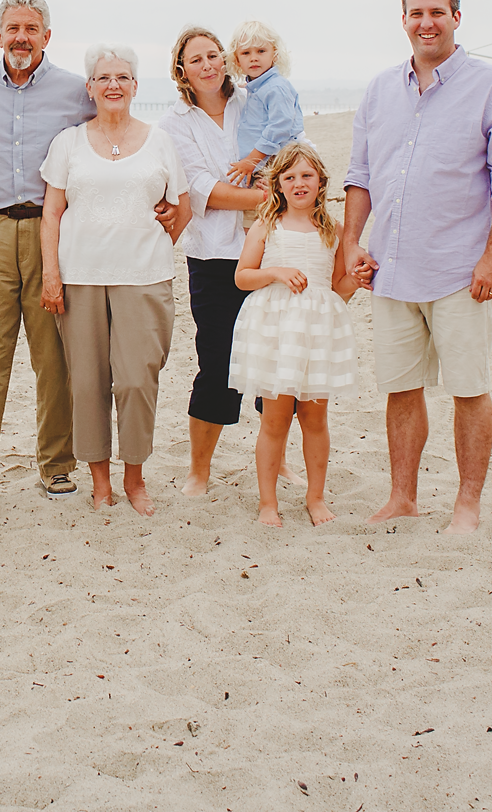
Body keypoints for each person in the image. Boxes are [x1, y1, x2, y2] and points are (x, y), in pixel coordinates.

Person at [341, 0, 492, 534]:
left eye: (437, 12)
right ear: (403, 20)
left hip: (460, 271)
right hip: (391, 269)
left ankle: (467, 505)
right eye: (416, 13)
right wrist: (351, 242)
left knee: (468, 389)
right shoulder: (380, 90)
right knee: (401, 389)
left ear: (456, 18)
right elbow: (360, 175)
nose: (426, 23)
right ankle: (403, 497)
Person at [0, 0, 98, 506]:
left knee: (55, 357)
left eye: (31, 29)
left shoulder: (76, 91)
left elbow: (104, 148)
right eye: (13, 28)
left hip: (52, 233)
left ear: (47, 36)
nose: (21, 38)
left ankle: (57, 465)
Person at [39, 44, 191, 515]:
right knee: (87, 383)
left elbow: (182, 207)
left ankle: (135, 479)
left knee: (136, 381)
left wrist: (156, 241)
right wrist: (51, 274)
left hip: (144, 277)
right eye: (104, 78)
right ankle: (100, 482)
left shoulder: (160, 140)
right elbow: (51, 213)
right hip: (80, 277)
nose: (113, 85)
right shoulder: (68, 143)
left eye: (122, 77)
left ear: (135, 86)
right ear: (89, 87)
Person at [159, 26, 268, 496]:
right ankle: (199, 471)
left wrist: (274, 192)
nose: (207, 65)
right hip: (212, 256)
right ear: (182, 71)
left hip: (267, 250)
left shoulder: (253, 100)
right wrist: (265, 197)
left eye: (213, 56)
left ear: (225, 59)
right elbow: (202, 189)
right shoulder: (174, 123)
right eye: (196, 60)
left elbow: (287, 149)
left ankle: (277, 463)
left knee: (275, 361)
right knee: (217, 363)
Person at [228, 141, 358, 527]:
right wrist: (275, 273)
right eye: (290, 177)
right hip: (277, 330)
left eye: (306, 176)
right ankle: (268, 502)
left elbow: (338, 287)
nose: (299, 183)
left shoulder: (333, 230)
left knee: (315, 420)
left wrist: (357, 279)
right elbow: (242, 277)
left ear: (320, 182)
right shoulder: (267, 225)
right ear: (278, 185)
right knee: (275, 420)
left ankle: (315, 497)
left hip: (317, 330)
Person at [224, 20, 304, 193]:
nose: (254, 58)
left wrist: (251, 160)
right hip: (262, 163)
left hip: (275, 161)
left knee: (270, 204)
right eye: (246, 53)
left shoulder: (276, 87)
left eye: (261, 51)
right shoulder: (258, 88)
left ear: (274, 54)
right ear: (237, 60)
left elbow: (280, 127)